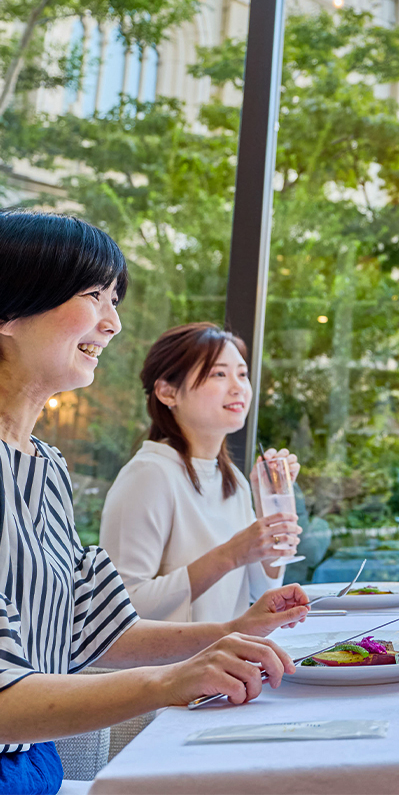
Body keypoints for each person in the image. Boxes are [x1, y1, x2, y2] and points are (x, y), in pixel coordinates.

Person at [0, 211, 309, 794]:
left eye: (114, 300)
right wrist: (171, 681)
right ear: (8, 310)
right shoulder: (148, 474)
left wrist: (230, 630)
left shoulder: (47, 466)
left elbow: (91, 629)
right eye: (94, 296)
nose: (112, 323)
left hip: (36, 761)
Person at [101, 323, 301, 623]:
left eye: (242, 374)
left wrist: (266, 510)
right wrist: (231, 554)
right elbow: (121, 607)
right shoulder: (150, 475)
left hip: (223, 663)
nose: (238, 387)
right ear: (168, 392)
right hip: (168, 669)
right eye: (218, 374)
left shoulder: (233, 479)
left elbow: (261, 589)